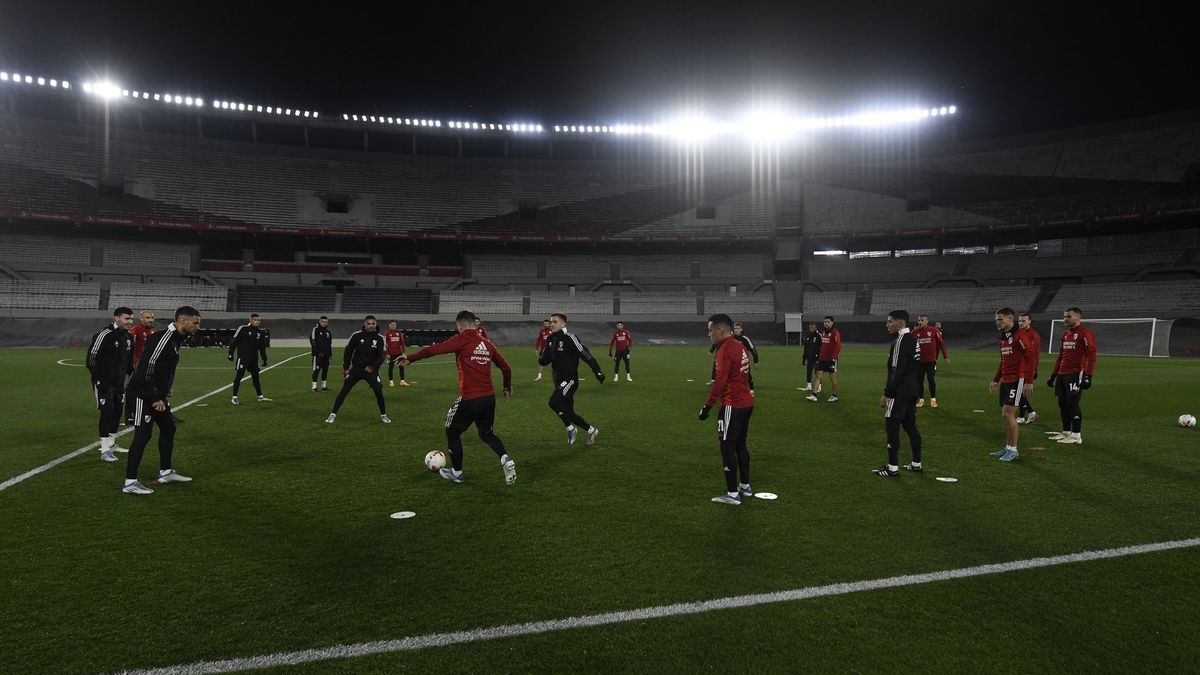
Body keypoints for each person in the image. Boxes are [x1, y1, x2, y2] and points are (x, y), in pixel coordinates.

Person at [400, 310, 516, 485]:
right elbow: (506, 368)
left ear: (459, 324)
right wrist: (506, 386)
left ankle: (457, 473)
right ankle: (505, 459)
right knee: (487, 434)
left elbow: (433, 349)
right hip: (488, 398)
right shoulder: (487, 343)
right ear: (474, 324)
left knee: (452, 431)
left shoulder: (461, 339)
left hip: (469, 397)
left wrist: (410, 358)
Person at [121, 306, 201, 494]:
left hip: (157, 394)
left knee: (168, 428)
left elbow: (161, 368)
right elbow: (143, 371)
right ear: (183, 321)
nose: (198, 326)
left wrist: (165, 389)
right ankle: (130, 482)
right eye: (195, 322)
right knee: (143, 436)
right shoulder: (162, 339)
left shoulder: (176, 339)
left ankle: (165, 471)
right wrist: (155, 397)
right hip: (142, 394)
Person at [698, 313, 754, 505]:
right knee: (741, 445)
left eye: (710, 330)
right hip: (746, 403)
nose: (709, 334)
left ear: (720, 331)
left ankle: (732, 495)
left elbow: (720, 381)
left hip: (733, 405)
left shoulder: (724, 350)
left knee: (727, 448)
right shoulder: (740, 346)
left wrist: (707, 406)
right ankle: (745, 487)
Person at [539, 312, 605, 445]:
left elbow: (585, 354)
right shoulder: (551, 339)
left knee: (553, 402)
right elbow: (544, 361)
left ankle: (570, 428)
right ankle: (591, 430)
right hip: (558, 381)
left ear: (563, 323)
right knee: (569, 413)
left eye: (555, 322)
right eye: (551, 322)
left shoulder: (570, 338)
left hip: (570, 380)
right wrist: (542, 355)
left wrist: (597, 371)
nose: (552, 324)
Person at [873, 310, 923, 477]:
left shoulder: (900, 341)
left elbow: (896, 371)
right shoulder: (913, 340)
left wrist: (887, 393)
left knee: (892, 426)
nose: (887, 325)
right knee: (910, 426)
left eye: (889, 322)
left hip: (899, 392)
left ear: (900, 323)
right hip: (912, 390)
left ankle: (892, 467)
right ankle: (916, 463)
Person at [988, 307, 1037, 462]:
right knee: (1005, 415)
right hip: (1006, 380)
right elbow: (1003, 362)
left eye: (1000, 319)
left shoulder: (1020, 335)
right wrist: (996, 379)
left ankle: (1014, 449)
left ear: (1010, 319)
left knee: (1009, 414)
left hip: (1018, 379)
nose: (997, 322)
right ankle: (1008, 447)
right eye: (996, 319)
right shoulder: (1004, 338)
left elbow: (1031, 358)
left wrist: (1029, 381)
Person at [88, 307, 134, 462]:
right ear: (116, 318)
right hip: (104, 383)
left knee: (117, 412)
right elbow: (91, 359)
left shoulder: (129, 337)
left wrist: (133, 378)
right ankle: (104, 449)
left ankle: (112, 444)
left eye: (131, 319)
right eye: (127, 318)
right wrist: (99, 379)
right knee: (106, 412)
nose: (130, 321)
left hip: (119, 383)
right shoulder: (103, 335)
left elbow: (128, 363)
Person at [1048, 307, 1097, 445]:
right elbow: (1060, 357)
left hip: (1075, 373)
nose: (1065, 319)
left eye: (1068, 316)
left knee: (1072, 403)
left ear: (1077, 318)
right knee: (1062, 403)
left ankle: (1076, 435)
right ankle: (1066, 432)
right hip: (1062, 374)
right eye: (1064, 316)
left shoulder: (1085, 333)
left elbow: (1091, 356)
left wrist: (1089, 376)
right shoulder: (1065, 335)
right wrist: (1053, 375)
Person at [326, 315, 389, 424]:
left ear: (376, 324)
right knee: (344, 390)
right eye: (368, 324)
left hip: (371, 370)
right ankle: (333, 414)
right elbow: (348, 352)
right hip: (356, 369)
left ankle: (383, 415)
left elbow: (381, 356)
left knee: (378, 390)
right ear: (365, 324)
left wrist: (372, 367)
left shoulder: (380, 338)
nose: (371, 326)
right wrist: (346, 367)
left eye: (373, 324)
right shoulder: (356, 335)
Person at [228, 313, 270, 404]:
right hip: (243, 358)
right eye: (255, 320)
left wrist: (264, 359)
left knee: (256, 377)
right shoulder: (243, 329)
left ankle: (260, 396)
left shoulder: (260, 332)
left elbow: (262, 348)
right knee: (239, 376)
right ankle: (234, 397)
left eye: (259, 320)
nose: (257, 322)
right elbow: (234, 341)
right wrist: (230, 354)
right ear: (250, 320)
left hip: (254, 360)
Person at [124, 309, 157, 425]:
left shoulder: (153, 331)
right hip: (136, 364)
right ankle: (130, 415)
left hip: (149, 365)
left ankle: (146, 412)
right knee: (133, 390)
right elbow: (128, 343)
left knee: (147, 388)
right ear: (141, 319)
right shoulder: (136, 329)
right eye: (148, 318)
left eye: (152, 318)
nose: (151, 320)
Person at [912, 314, 950, 408]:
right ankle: (921, 400)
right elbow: (910, 346)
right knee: (919, 381)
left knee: (931, 379)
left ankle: (933, 400)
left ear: (927, 321)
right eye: (919, 320)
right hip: (919, 362)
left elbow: (941, 343)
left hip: (931, 361)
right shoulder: (914, 332)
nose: (920, 322)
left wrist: (945, 357)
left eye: (922, 320)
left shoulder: (933, 330)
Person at [807, 316, 841, 402]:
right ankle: (814, 395)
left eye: (828, 322)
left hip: (831, 359)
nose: (826, 323)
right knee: (818, 375)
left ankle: (834, 395)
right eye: (825, 322)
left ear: (832, 323)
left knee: (832, 377)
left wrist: (834, 356)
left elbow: (838, 346)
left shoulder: (835, 332)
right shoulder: (823, 332)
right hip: (822, 358)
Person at [1016, 313, 1042, 425]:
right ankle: (1021, 416)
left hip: (1027, 368)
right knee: (1021, 392)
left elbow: (1034, 354)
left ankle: (1031, 412)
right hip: (1019, 367)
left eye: (1023, 321)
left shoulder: (1033, 335)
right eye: (1020, 320)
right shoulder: (1019, 333)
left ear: (1029, 321)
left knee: (1018, 391)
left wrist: (1034, 369)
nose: (1021, 322)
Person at [383, 321, 410, 387]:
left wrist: (403, 353)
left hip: (399, 353)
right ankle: (391, 381)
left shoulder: (399, 333)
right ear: (389, 325)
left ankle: (402, 381)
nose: (393, 326)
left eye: (394, 325)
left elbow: (402, 343)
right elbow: (384, 345)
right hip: (391, 354)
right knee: (391, 367)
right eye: (392, 325)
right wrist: (387, 354)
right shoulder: (386, 334)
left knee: (401, 367)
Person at [310, 316, 333, 392]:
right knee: (316, 370)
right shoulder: (315, 330)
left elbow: (329, 344)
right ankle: (314, 387)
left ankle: (324, 386)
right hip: (318, 355)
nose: (324, 323)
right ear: (319, 321)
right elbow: (313, 341)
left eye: (326, 322)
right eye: (323, 321)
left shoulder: (328, 332)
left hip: (326, 356)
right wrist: (318, 352)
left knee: (325, 370)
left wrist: (330, 354)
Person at [801, 323, 820, 391]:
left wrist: (819, 355)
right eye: (810, 328)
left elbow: (822, 347)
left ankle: (819, 387)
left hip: (817, 357)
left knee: (817, 372)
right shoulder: (808, 336)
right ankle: (808, 386)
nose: (811, 329)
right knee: (809, 371)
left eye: (812, 328)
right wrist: (804, 359)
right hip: (809, 357)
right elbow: (805, 349)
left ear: (815, 328)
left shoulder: (819, 336)